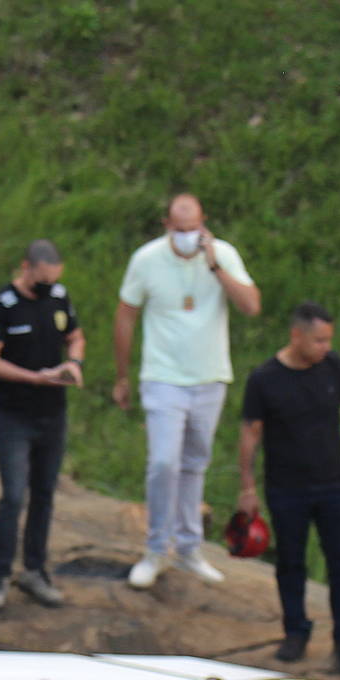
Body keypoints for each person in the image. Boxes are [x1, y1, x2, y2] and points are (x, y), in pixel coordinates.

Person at [236, 304, 340, 675]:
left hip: (334, 485)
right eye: (319, 340)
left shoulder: (335, 368)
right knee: (291, 563)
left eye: (329, 339)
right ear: (296, 336)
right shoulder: (265, 379)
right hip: (287, 489)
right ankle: (295, 632)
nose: (325, 347)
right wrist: (247, 486)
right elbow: (250, 433)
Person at [110, 194, 262, 590]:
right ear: (166, 226)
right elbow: (126, 315)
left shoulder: (223, 254)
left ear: (204, 223)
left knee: (196, 461)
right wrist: (122, 375)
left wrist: (214, 265)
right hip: (163, 376)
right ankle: (156, 547)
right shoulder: (146, 260)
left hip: (209, 376)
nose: (186, 237)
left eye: (193, 229)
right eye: (179, 231)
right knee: (163, 462)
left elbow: (250, 305)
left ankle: (190, 547)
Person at [0, 240, 83, 613]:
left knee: (45, 493)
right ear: (25, 268)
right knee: (14, 494)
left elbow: (75, 336)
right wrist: (33, 378)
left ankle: (35, 569)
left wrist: (75, 364)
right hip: (14, 414)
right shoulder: (0, 305)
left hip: (53, 413)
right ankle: (0, 573)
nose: (47, 287)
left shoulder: (59, 298)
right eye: (41, 280)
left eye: (53, 280)